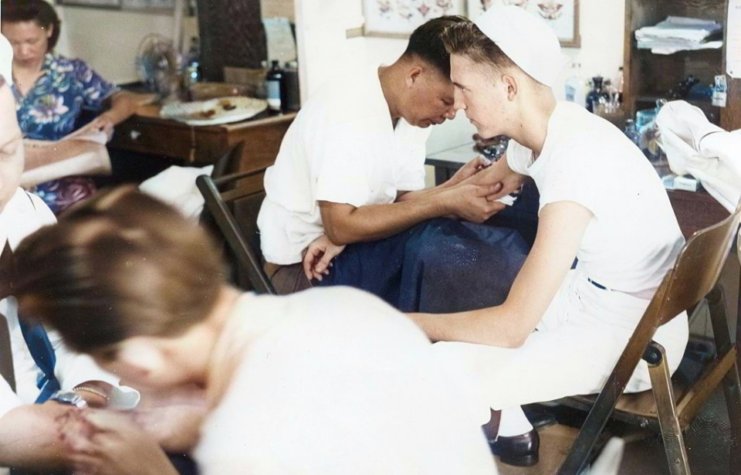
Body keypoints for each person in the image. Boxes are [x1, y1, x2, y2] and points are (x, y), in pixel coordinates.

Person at [12, 187, 499, 475]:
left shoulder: (243, 441)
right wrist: (203, 425)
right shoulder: (343, 307)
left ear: (142, 358)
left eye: (113, 367)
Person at [408, 6, 689, 467]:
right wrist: (395, 212)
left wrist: (413, 323)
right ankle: (507, 428)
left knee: (443, 366)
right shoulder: (554, 128)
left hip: (634, 338)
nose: (456, 104)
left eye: (464, 88)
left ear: (509, 87)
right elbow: (490, 184)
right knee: (471, 298)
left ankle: (491, 427)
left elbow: (512, 326)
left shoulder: (573, 165)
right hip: (616, 304)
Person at [258, 16, 533, 312]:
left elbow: (402, 201)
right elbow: (340, 227)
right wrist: (446, 201)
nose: (452, 114)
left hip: (349, 246)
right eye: (445, 101)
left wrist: (456, 188)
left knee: (465, 242)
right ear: (414, 75)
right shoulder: (348, 112)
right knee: (441, 255)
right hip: (305, 269)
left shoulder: (410, 112)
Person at [1, 0, 140, 214]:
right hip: (7, 183)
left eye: (32, 41)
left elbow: (125, 98)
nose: (24, 51)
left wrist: (109, 118)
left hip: (61, 182)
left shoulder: (70, 72)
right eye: (13, 43)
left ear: (49, 30)